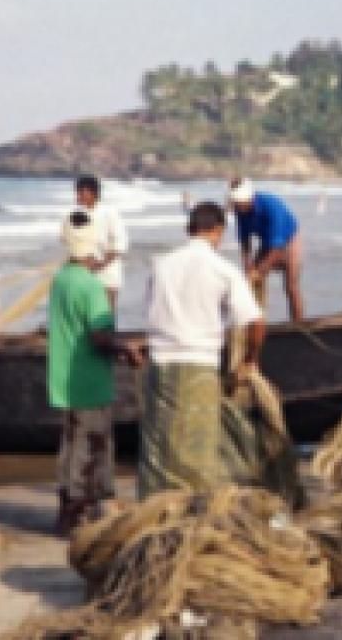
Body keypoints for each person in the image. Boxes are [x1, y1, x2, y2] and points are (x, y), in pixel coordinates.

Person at [140, 201, 266, 498]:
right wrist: (250, 359)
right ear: (218, 231)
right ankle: (192, 509)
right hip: (199, 362)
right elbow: (255, 321)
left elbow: (150, 312)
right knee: (198, 445)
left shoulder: (161, 265)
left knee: (161, 444)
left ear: (189, 229)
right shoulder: (223, 269)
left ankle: (156, 506)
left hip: (160, 362)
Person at [47, 211, 137, 532]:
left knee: (70, 445)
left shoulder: (61, 279)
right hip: (89, 380)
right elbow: (100, 337)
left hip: (64, 379)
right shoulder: (91, 286)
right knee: (91, 445)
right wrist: (126, 350)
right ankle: (78, 514)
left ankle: (66, 510)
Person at [228, 178, 305, 322]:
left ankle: (299, 324)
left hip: (289, 238)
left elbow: (277, 247)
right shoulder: (240, 210)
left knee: (291, 285)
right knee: (253, 281)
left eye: (241, 203)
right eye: (236, 204)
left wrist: (260, 270)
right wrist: (248, 264)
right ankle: (256, 323)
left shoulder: (271, 206)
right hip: (267, 240)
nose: (239, 207)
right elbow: (245, 240)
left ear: (250, 197)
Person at [74, 175, 129, 308]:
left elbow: (120, 243)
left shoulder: (109, 213)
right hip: (85, 274)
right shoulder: (78, 214)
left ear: (93, 193)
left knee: (106, 315)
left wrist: (101, 264)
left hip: (107, 273)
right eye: (77, 192)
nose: (78, 196)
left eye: (82, 192)